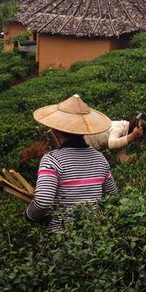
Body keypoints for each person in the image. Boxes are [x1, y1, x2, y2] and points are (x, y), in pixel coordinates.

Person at [25, 94, 119, 232]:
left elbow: (43, 202)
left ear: (56, 130)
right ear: (84, 131)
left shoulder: (52, 160)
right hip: (94, 237)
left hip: (62, 239)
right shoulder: (100, 158)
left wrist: (29, 216)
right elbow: (113, 194)